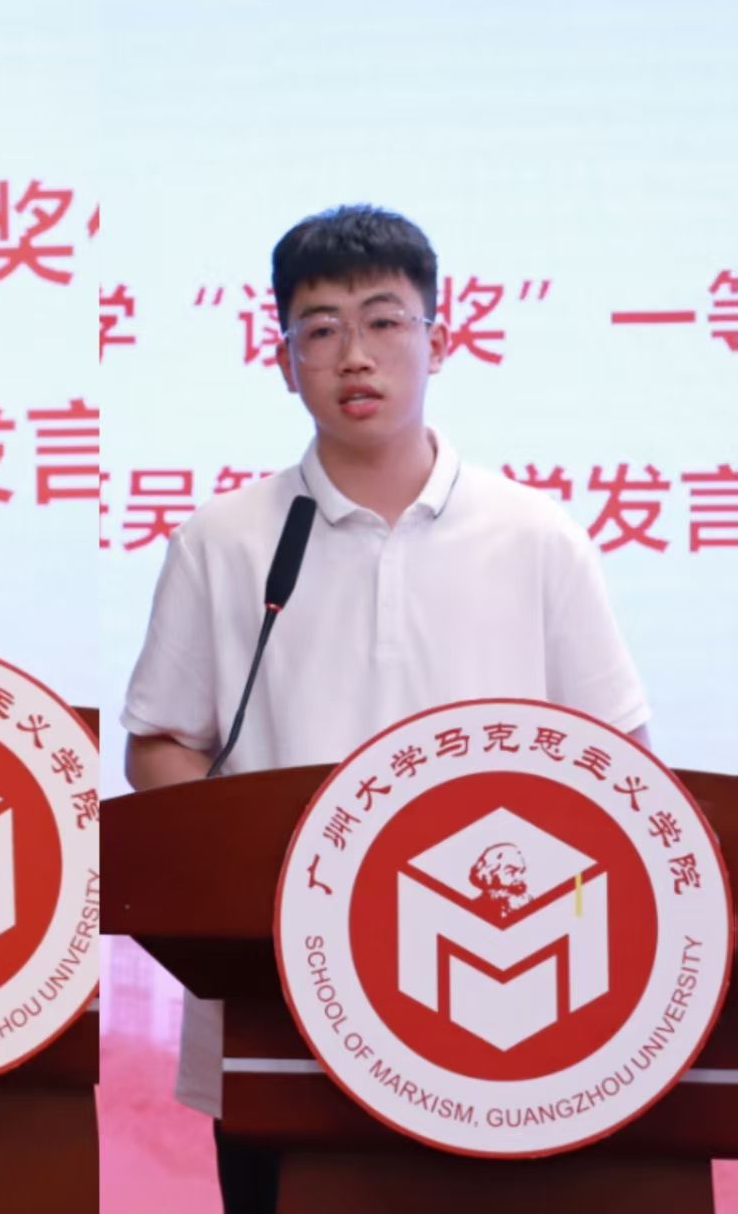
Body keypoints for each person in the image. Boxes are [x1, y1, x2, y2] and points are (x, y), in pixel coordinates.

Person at [120, 203, 649, 1214]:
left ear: (438, 341)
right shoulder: (223, 541)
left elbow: (621, 754)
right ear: (284, 361)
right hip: (284, 997)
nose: (354, 356)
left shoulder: (535, 536)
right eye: (320, 330)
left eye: (383, 321)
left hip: (497, 985)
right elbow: (160, 746)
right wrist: (265, 872)